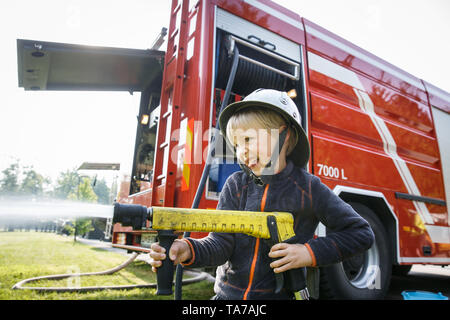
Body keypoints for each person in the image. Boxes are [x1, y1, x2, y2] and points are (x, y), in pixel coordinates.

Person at [149, 88, 374, 300]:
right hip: (228, 296)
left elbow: (361, 233)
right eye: (236, 145)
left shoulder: (309, 188)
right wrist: (188, 249)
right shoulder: (235, 185)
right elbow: (221, 245)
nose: (241, 151)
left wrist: (308, 252)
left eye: (248, 139)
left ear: (285, 136)